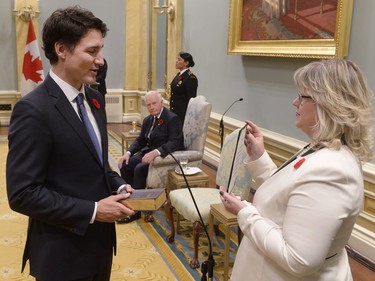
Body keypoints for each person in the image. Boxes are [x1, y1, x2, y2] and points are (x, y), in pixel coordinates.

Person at [6, 6, 135, 281]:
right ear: (62, 50)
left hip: (100, 248)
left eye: (100, 50)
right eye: (91, 51)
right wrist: (95, 210)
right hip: (62, 257)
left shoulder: (95, 99)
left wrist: (119, 184)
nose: (100, 61)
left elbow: (96, 164)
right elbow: (23, 194)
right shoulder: (33, 110)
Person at [220, 59, 373, 281]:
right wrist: (259, 157)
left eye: (303, 96)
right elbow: (288, 196)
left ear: (328, 104)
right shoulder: (322, 148)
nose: (294, 102)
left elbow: (298, 259)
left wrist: (245, 212)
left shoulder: (333, 171)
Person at [117, 91, 184, 223]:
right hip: (147, 152)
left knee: (139, 169)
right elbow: (141, 140)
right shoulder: (148, 119)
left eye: (154, 103)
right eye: (149, 105)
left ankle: (136, 211)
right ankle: (128, 203)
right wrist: (128, 153)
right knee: (125, 164)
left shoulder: (172, 118)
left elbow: (175, 142)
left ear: (161, 102)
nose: (151, 107)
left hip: (161, 157)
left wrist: (156, 152)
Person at [169, 51, 198, 124]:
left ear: (186, 63)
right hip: (174, 112)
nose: (176, 61)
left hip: (182, 114)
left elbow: (190, 99)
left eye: (179, 60)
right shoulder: (179, 75)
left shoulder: (190, 78)